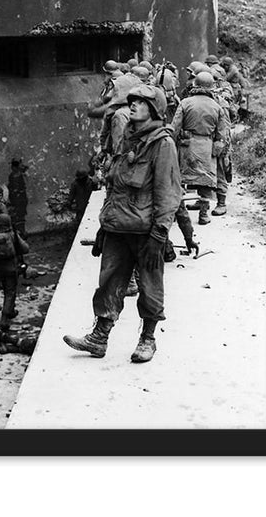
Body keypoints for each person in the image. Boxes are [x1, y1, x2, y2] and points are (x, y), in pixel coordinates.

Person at [63, 84, 180, 364]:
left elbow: (168, 193)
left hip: (145, 231)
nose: (133, 105)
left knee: (150, 287)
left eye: (141, 102)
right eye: (133, 100)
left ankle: (147, 339)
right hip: (118, 227)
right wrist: (104, 226)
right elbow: (114, 186)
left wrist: (159, 235)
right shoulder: (127, 138)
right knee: (109, 283)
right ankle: (99, 338)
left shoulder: (163, 144)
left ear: (154, 109)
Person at [169, 71, 230, 225]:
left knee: (181, 180)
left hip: (187, 146)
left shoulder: (185, 103)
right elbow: (221, 133)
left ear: (195, 84)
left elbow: (175, 127)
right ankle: (203, 215)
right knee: (205, 180)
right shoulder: (217, 106)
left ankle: (178, 213)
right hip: (207, 147)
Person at [0, 213, 29, 338]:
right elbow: (25, 249)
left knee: (6, 290)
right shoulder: (11, 235)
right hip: (11, 267)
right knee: (11, 291)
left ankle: (11, 311)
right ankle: (4, 318)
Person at [7, 160, 29, 238]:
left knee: (20, 216)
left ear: (14, 167)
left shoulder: (18, 176)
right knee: (17, 216)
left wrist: (15, 191)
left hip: (19, 199)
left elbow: (21, 187)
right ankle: (20, 232)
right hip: (16, 199)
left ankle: (21, 232)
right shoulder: (13, 175)